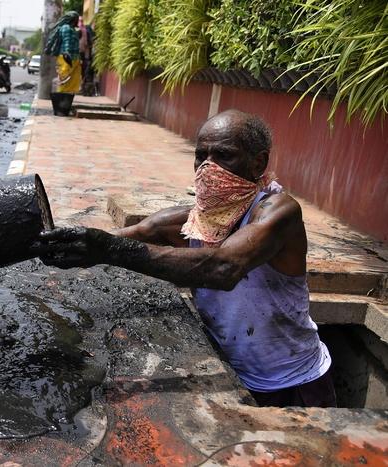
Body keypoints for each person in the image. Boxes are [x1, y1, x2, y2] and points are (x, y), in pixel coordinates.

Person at [32, 110, 336, 408]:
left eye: (224, 156)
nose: (208, 167)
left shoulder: (278, 212)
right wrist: (63, 246)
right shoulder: (194, 220)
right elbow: (137, 233)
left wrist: (109, 250)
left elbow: (223, 267)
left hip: (293, 384)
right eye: (201, 156)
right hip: (234, 374)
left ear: (258, 162)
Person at [44, 11, 81, 94]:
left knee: (72, 83)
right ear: (73, 19)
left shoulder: (72, 29)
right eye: (77, 19)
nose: (78, 21)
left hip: (74, 58)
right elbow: (66, 41)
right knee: (64, 80)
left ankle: (67, 102)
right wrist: (67, 52)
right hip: (66, 58)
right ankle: (60, 102)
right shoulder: (66, 28)